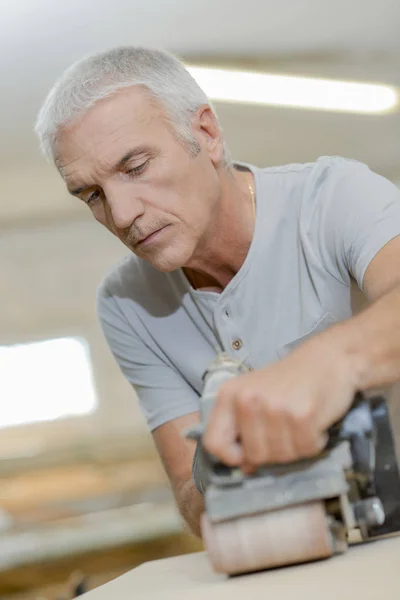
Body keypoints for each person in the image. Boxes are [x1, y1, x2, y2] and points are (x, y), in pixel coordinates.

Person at [35, 46, 400, 538]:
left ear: (205, 134)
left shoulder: (333, 198)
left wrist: (324, 364)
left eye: (136, 166)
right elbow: (192, 505)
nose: (122, 216)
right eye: (93, 195)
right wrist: (223, 463)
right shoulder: (126, 304)